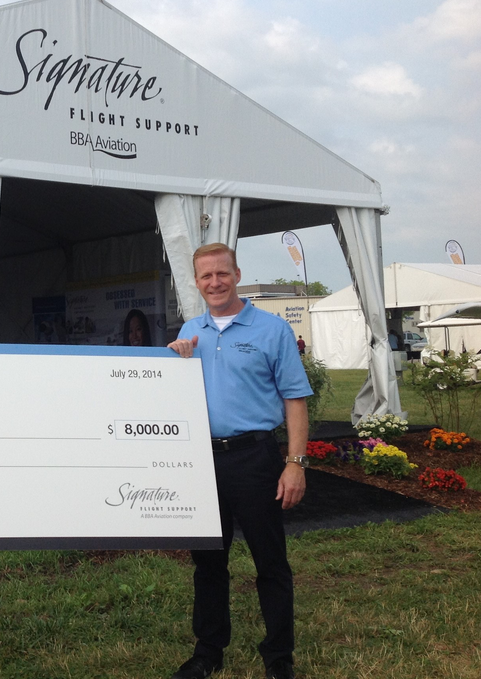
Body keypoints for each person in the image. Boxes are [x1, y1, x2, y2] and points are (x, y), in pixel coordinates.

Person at [167, 243, 311, 679]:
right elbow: (174, 397)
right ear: (196, 282)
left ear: (237, 274)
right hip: (201, 460)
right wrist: (175, 363)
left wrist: (295, 462)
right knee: (209, 562)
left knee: (270, 561)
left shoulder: (271, 329)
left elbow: (295, 399)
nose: (215, 282)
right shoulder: (190, 331)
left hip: (254, 457)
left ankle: (279, 657)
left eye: (222, 273)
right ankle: (208, 651)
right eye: (206, 276)